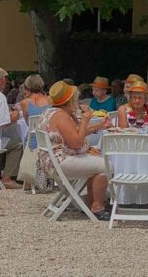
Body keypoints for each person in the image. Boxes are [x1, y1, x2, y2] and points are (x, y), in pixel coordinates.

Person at [37, 81, 112, 220]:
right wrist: (84, 119)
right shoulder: (61, 116)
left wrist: (98, 126)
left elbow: (75, 133)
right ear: (71, 100)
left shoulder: (50, 112)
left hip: (50, 162)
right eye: (75, 98)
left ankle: (90, 203)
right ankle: (97, 207)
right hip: (60, 162)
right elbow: (76, 143)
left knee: (95, 161)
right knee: (106, 165)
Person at [0, 67, 22, 189]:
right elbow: (3, 124)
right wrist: (15, 116)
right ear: (3, 80)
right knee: (16, 143)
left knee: (4, 139)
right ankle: (7, 178)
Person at [20, 75, 52, 149]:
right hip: (50, 140)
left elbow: (28, 123)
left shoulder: (24, 103)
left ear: (27, 87)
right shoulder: (51, 100)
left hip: (33, 142)